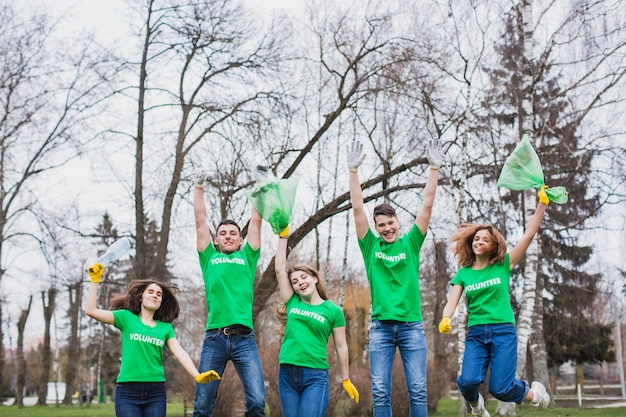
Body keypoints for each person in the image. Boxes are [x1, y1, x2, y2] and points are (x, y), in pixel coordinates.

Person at [346, 139, 442, 417]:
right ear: (376, 229)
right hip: (381, 329)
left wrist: (433, 169)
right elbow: (357, 209)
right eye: (381, 225)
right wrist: (353, 172)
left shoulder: (411, 243)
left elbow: (427, 205)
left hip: (412, 326)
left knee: (418, 390)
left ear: (398, 222)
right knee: (379, 391)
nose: (387, 228)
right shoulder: (370, 247)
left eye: (390, 223)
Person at [438, 192, 552, 417]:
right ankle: (476, 407)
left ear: (493, 245)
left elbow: (528, 236)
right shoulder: (464, 274)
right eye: (476, 239)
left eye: (485, 240)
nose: (479, 242)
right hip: (476, 333)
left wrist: (542, 204)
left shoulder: (503, 265)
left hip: (503, 331)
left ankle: (535, 395)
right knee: (467, 381)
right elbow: (452, 300)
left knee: (500, 388)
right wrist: (445, 317)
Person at [85, 263, 219, 417]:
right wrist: (95, 280)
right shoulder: (126, 318)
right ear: (141, 297)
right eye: (150, 292)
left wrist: (197, 375)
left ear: (161, 301)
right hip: (127, 392)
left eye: (159, 294)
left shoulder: (165, 328)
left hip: (156, 393)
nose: (155, 295)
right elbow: (90, 311)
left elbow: (180, 352)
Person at [192, 170, 266, 417]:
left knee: (257, 401)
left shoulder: (247, 257)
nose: (228, 236)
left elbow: (256, 221)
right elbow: (200, 221)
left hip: (244, 339)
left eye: (233, 233)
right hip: (214, 339)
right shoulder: (208, 257)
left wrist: (259, 187)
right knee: (203, 405)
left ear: (241, 240)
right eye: (223, 233)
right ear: (216, 240)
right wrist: (199, 187)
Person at [274, 226, 359, 416]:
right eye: (295, 282)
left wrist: (345, 378)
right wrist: (283, 236)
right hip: (287, 374)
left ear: (314, 278)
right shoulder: (292, 301)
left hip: (315, 376)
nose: (299, 282)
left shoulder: (333, 311)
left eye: (303, 277)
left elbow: (341, 346)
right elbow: (280, 269)